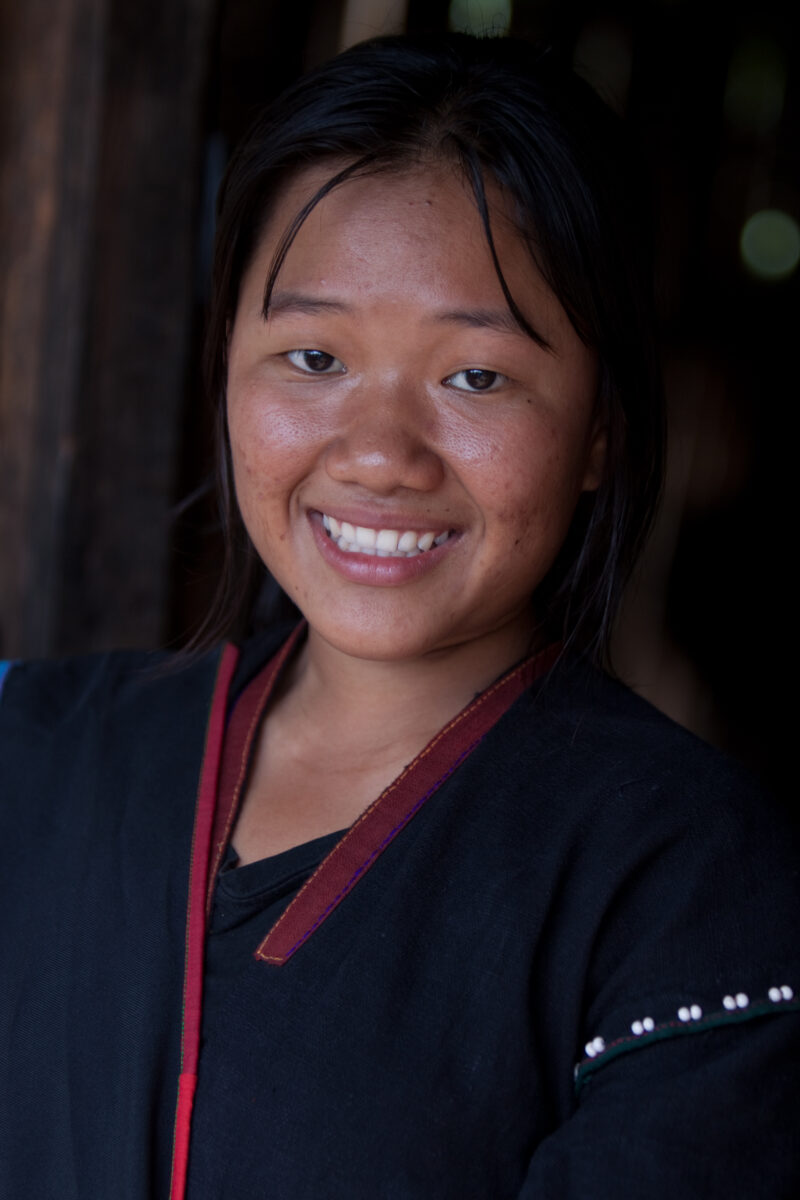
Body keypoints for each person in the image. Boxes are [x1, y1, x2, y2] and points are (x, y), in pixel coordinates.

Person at [1, 32, 797, 1200]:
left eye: (475, 376)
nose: (377, 454)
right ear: (224, 368)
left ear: (599, 431)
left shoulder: (683, 878)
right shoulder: (39, 754)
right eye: (312, 356)